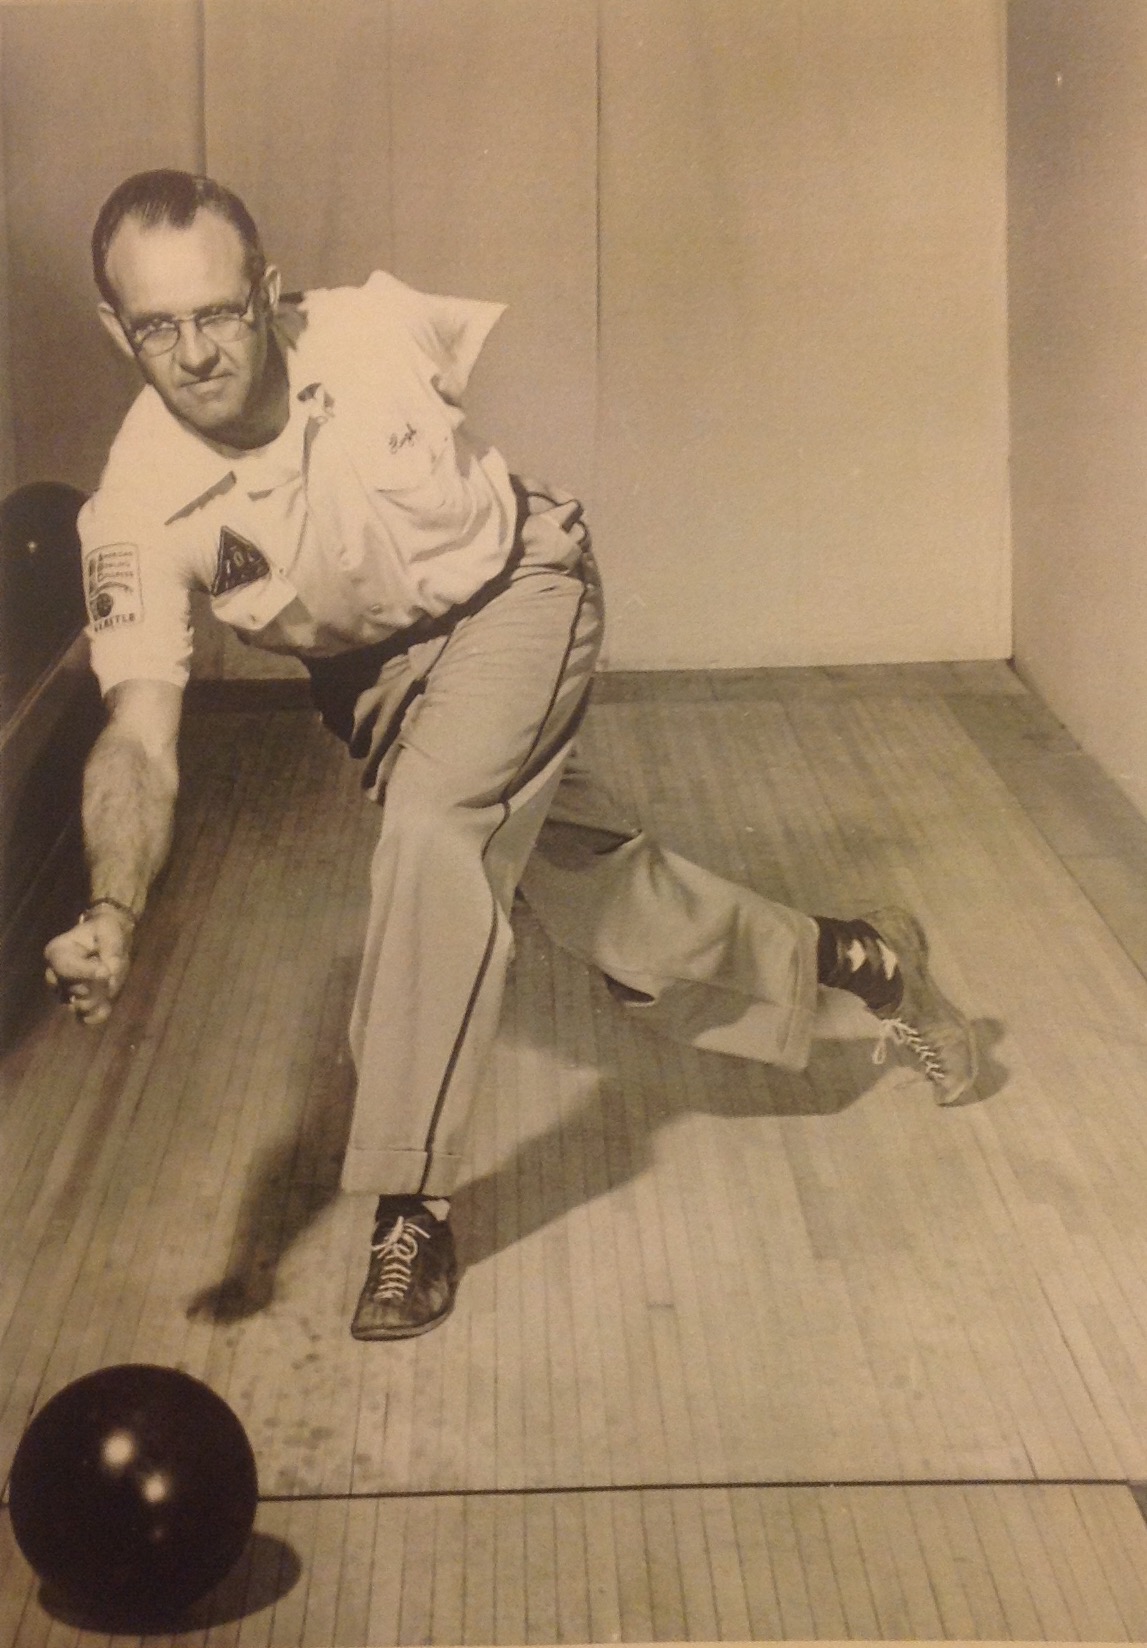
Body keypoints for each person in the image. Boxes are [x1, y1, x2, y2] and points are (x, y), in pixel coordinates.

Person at [44, 170, 978, 1341]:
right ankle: (861, 959)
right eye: (156, 327)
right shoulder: (134, 510)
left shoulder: (377, 324)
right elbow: (137, 737)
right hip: (374, 689)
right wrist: (114, 908)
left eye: (219, 312)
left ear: (269, 293)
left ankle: (408, 1206)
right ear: (115, 330)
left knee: (434, 837)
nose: (193, 353)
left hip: (521, 598)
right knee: (617, 911)